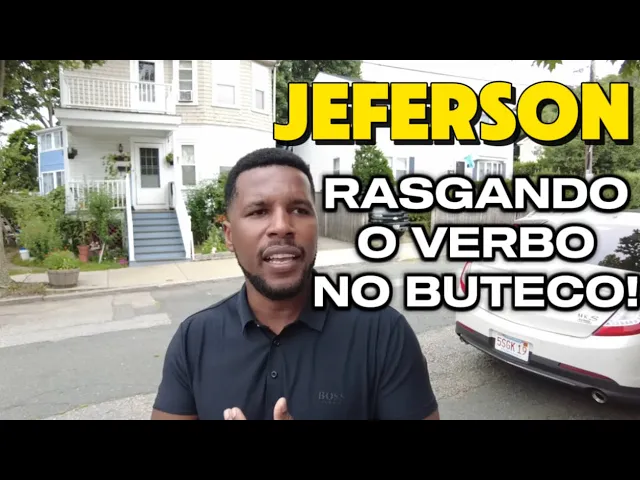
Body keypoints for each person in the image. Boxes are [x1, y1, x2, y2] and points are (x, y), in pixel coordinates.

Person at [151, 147, 439, 420]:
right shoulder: (194, 340)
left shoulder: (383, 333)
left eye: (299, 210)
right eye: (258, 211)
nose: (281, 226)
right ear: (229, 236)